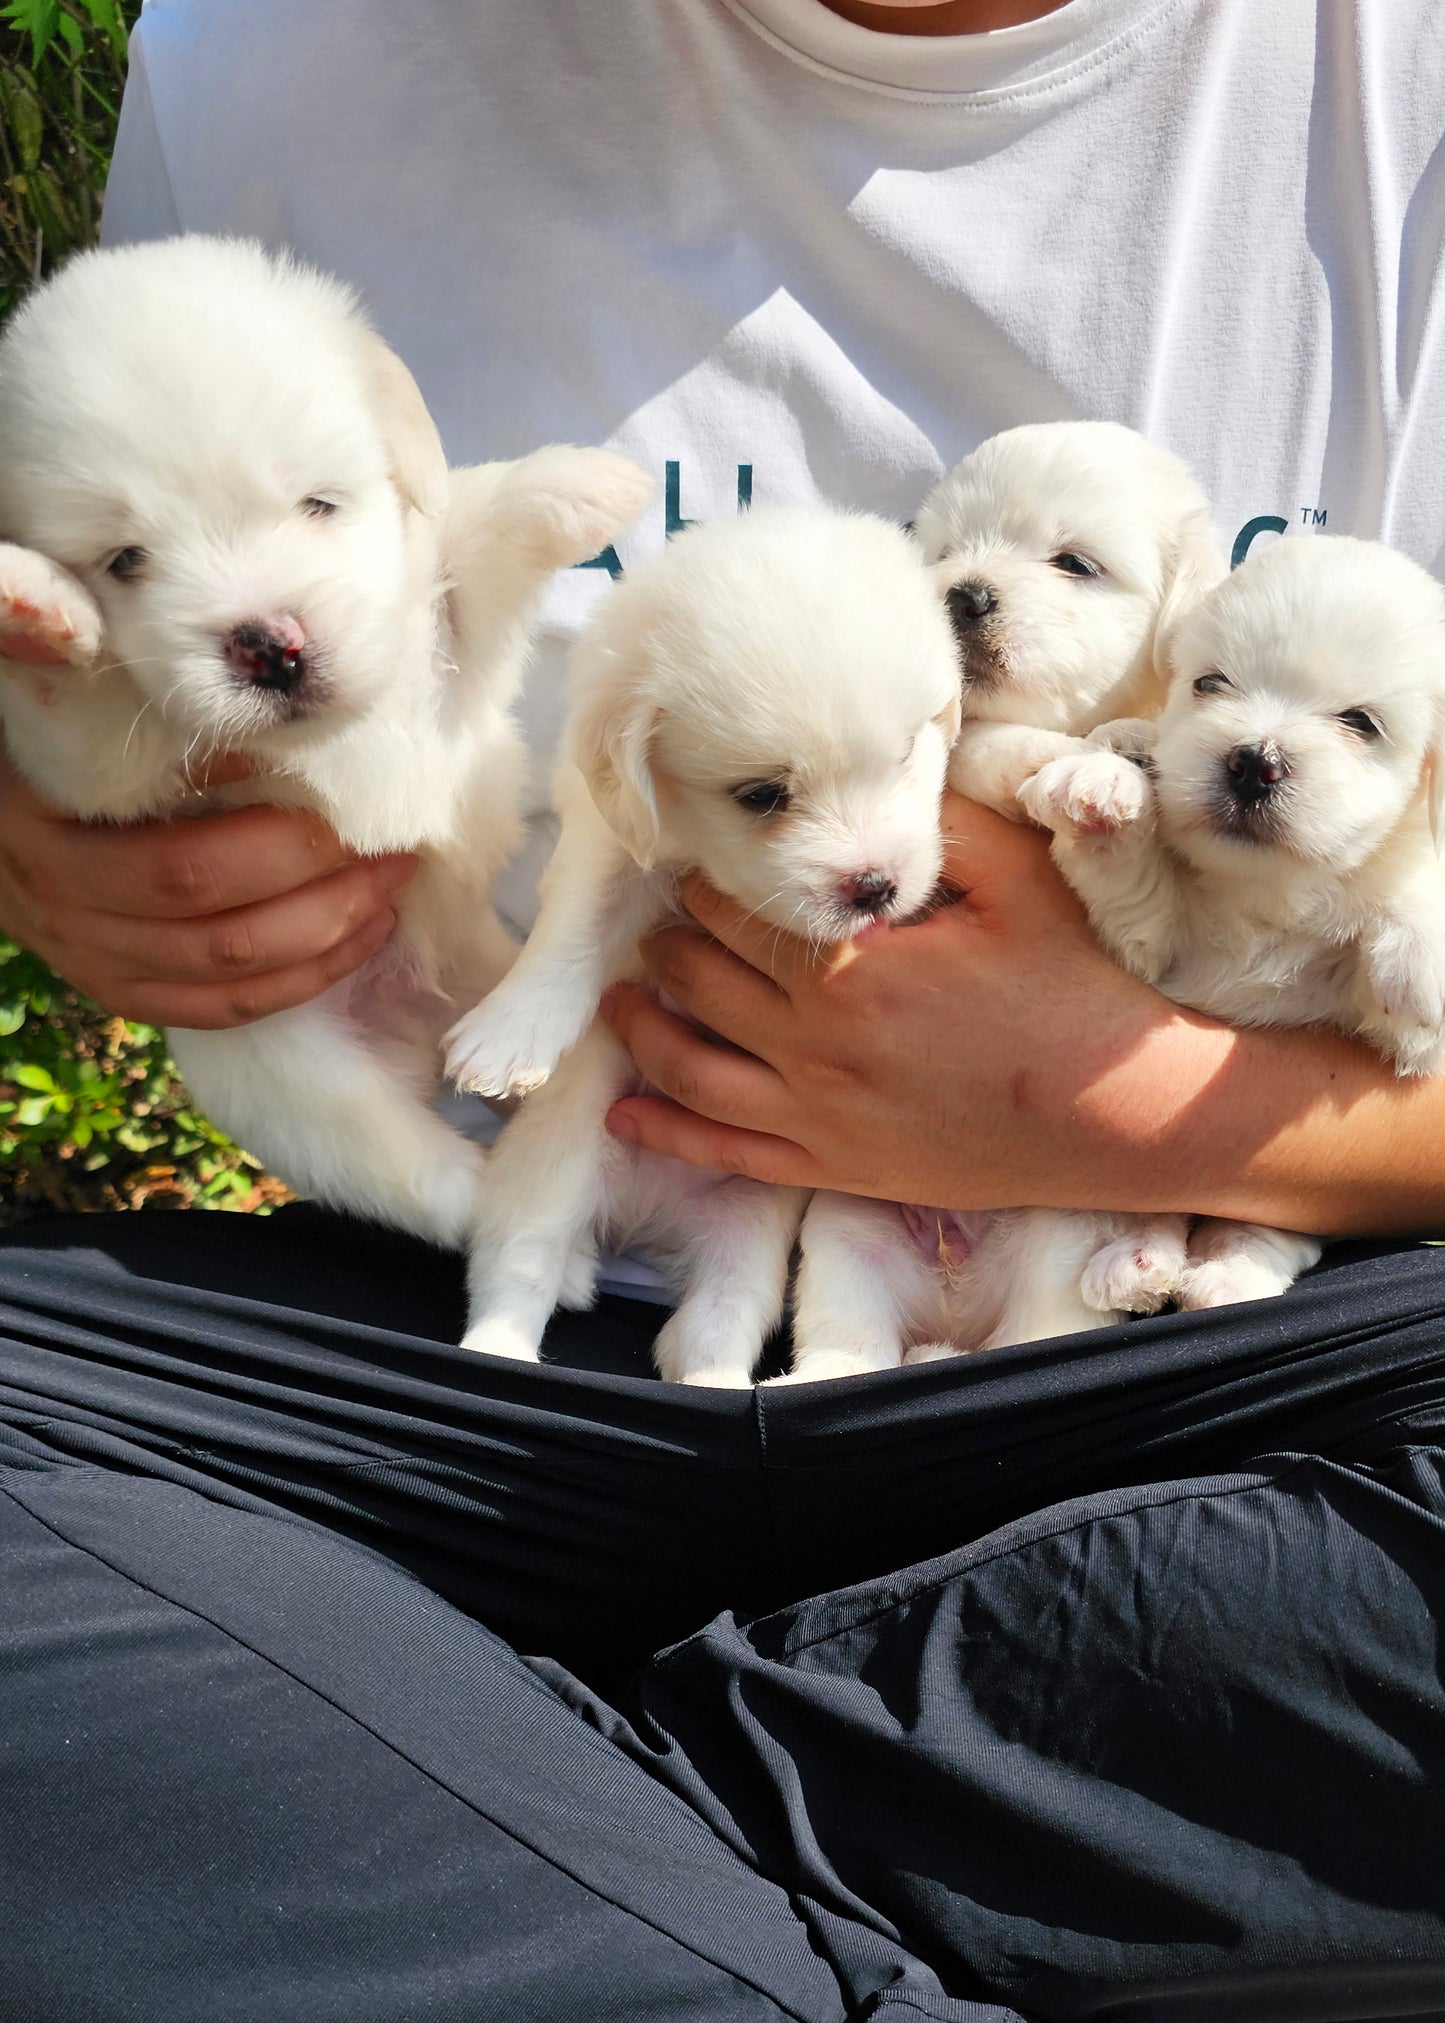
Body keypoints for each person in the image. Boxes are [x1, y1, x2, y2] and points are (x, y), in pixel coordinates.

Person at [2, 2, 1444, 2016]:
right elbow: (107, 637)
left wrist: (1139, 1102)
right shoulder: (282, 55)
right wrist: (68, 813)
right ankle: (927, 1839)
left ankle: (558, 1806)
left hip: (1174, 1360)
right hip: (484, 1349)